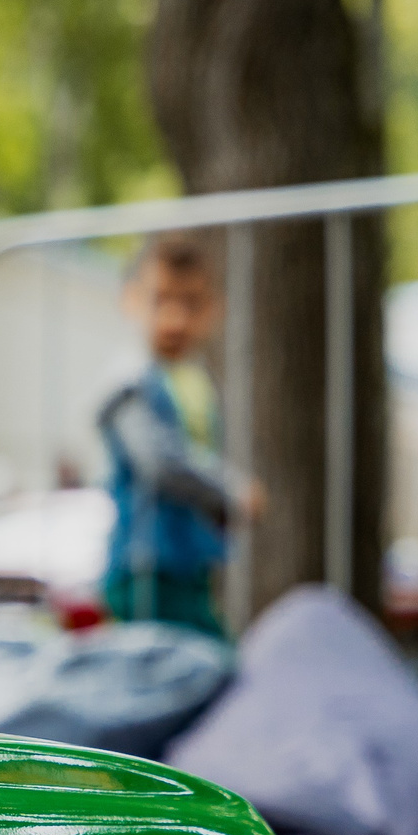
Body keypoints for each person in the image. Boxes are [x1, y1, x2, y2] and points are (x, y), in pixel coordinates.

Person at [96, 233, 255, 638]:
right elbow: (160, 461)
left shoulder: (194, 381)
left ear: (214, 310)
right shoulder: (130, 380)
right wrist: (229, 492)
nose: (175, 318)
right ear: (132, 300)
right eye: (160, 299)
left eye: (191, 303)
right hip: (147, 568)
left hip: (189, 565)